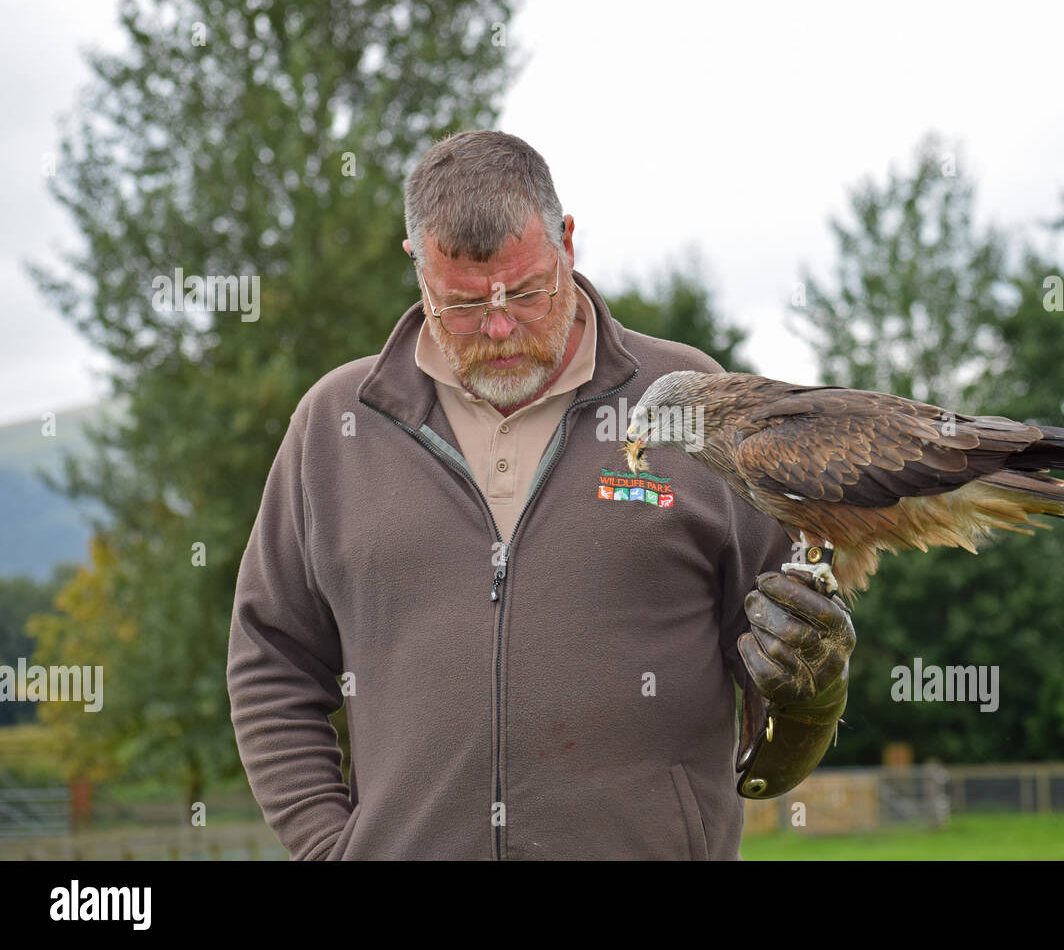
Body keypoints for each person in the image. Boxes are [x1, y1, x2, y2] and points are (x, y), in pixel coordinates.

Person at [227, 130, 856, 860]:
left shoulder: (689, 400)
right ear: (415, 265)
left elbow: (786, 655)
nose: (499, 327)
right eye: (460, 305)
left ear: (567, 241)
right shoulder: (335, 424)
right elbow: (271, 656)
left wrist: (814, 693)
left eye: (527, 292)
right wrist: (327, 845)